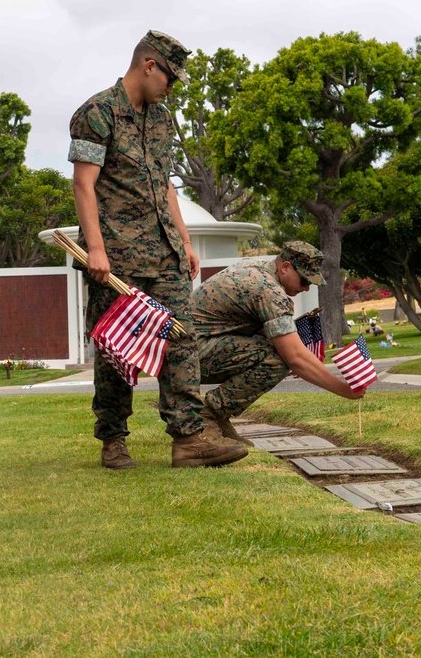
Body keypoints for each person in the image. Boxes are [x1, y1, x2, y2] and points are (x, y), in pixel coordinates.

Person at [68, 30, 247, 469]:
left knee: (180, 340)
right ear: (149, 65)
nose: (172, 87)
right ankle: (113, 441)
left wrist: (185, 241)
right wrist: (95, 248)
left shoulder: (162, 118)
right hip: (118, 259)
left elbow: (165, 183)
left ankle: (188, 439)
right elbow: (83, 184)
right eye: (169, 77)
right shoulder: (96, 113)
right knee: (117, 351)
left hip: (164, 254)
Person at [191, 241, 364, 443]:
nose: (306, 288)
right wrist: (344, 389)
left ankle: (217, 417)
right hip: (188, 356)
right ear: (285, 267)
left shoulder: (256, 269)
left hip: (187, 349)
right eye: (304, 281)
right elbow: (296, 359)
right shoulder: (268, 291)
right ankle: (208, 415)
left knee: (275, 347)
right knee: (277, 360)